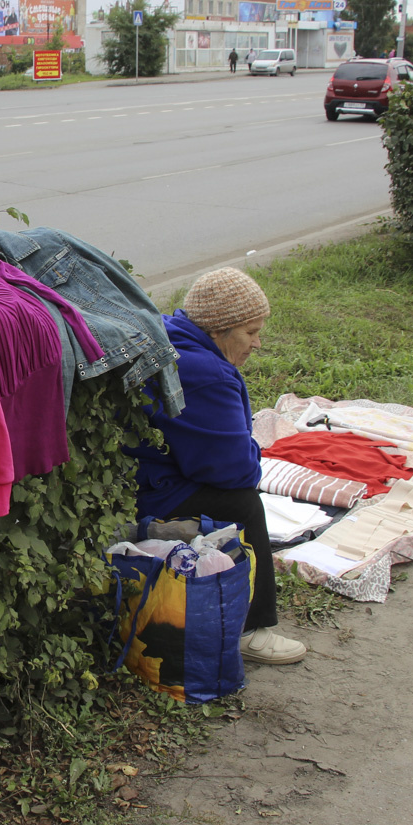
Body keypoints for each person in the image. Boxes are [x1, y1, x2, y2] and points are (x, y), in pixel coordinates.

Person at [127, 268, 306, 664]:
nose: (257, 343)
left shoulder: (169, 332)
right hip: (148, 489)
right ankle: (253, 630)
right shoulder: (204, 373)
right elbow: (235, 471)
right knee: (243, 502)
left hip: (134, 473)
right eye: (250, 332)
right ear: (220, 329)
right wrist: (252, 452)